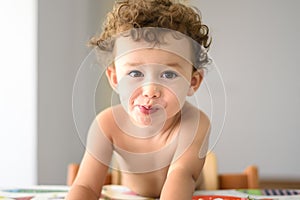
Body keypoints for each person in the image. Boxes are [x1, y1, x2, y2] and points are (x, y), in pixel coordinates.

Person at [67, 0, 212, 199]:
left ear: (193, 82)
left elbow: (182, 174)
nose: (150, 90)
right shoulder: (107, 125)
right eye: (135, 73)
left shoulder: (194, 123)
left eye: (168, 75)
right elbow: (86, 187)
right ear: (115, 78)